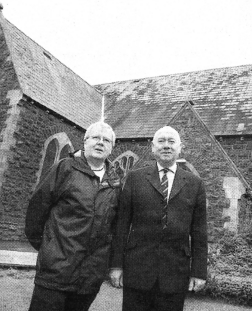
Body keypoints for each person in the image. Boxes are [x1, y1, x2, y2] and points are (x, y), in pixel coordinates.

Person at [110, 126, 208, 311]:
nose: (166, 146)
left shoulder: (195, 184)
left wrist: (199, 272)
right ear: (153, 147)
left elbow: (200, 233)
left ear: (180, 147)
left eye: (171, 142)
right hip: (137, 271)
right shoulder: (134, 178)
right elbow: (121, 226)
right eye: (161, 141)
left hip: (175, 274)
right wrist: (116, 266)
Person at [25, 121, 120, 311]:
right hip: (55, 273)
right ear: (85, 142)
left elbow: (115, 226)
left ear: (111, 148)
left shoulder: (116, 182)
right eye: (95, 138)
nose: (100, 143)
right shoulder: (65, 168)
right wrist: (49, 247)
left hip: (89, 277)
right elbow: (36, 210)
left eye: (106, 140)